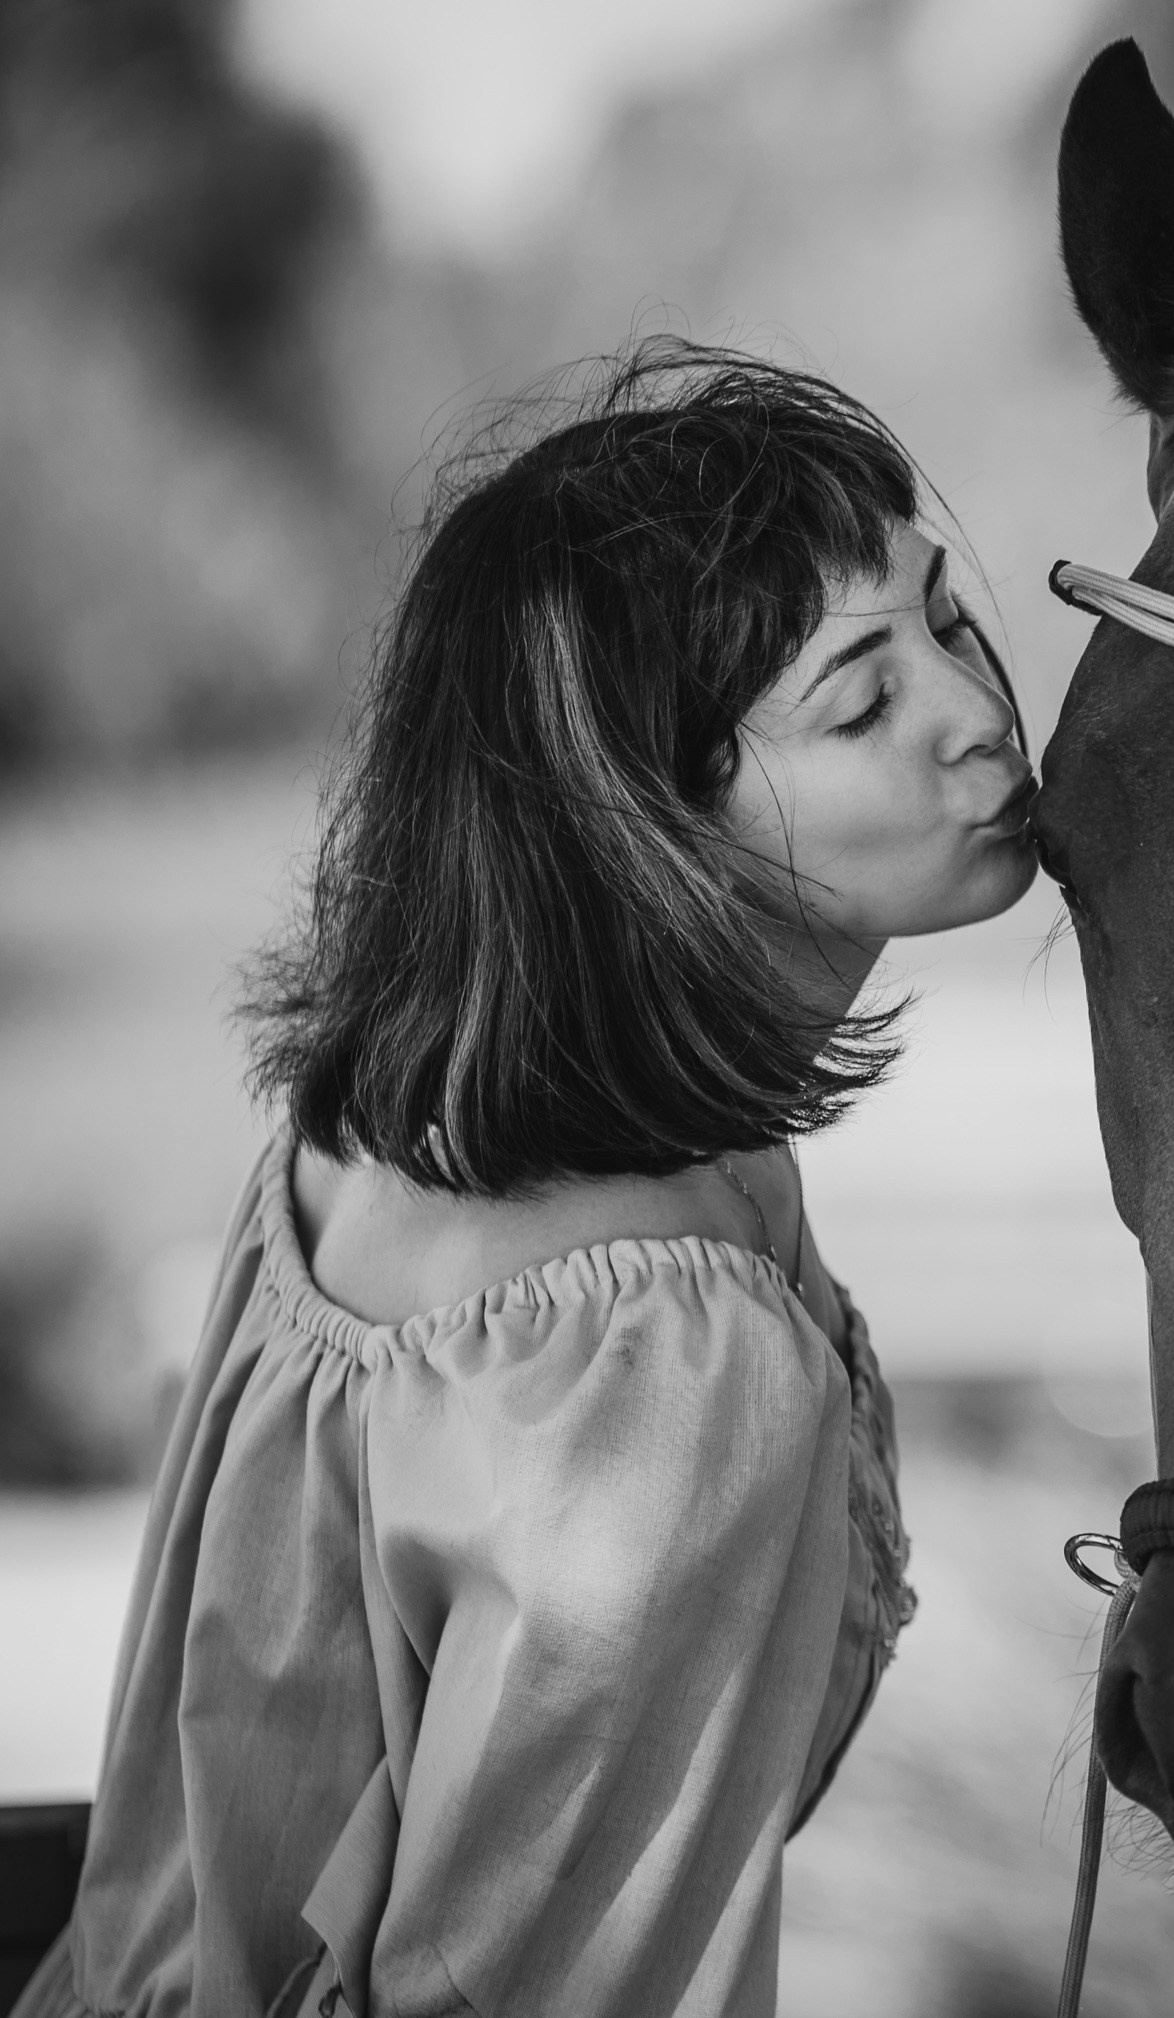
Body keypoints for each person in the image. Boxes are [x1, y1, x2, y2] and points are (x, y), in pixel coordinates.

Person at [12, 342, 1037, 2018]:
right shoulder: (662, 1365)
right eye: (861, 700)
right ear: (650, 828)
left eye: (940, 613)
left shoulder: (376, 1133)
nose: (977, 710)